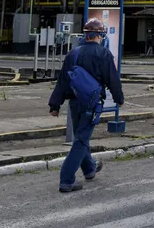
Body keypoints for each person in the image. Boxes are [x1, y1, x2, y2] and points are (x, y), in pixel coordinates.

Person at [49, 18, 124, 193]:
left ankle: (90, 169)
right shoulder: (103, 54)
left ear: (85, 35)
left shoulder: (72, 54)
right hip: (92, 104)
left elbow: (62, 81)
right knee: (82, 140)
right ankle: (66, 180)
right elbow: (112, 80)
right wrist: (119, 98)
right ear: (99, 35)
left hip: (74, 103)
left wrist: (55, 105)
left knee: (81, 137)